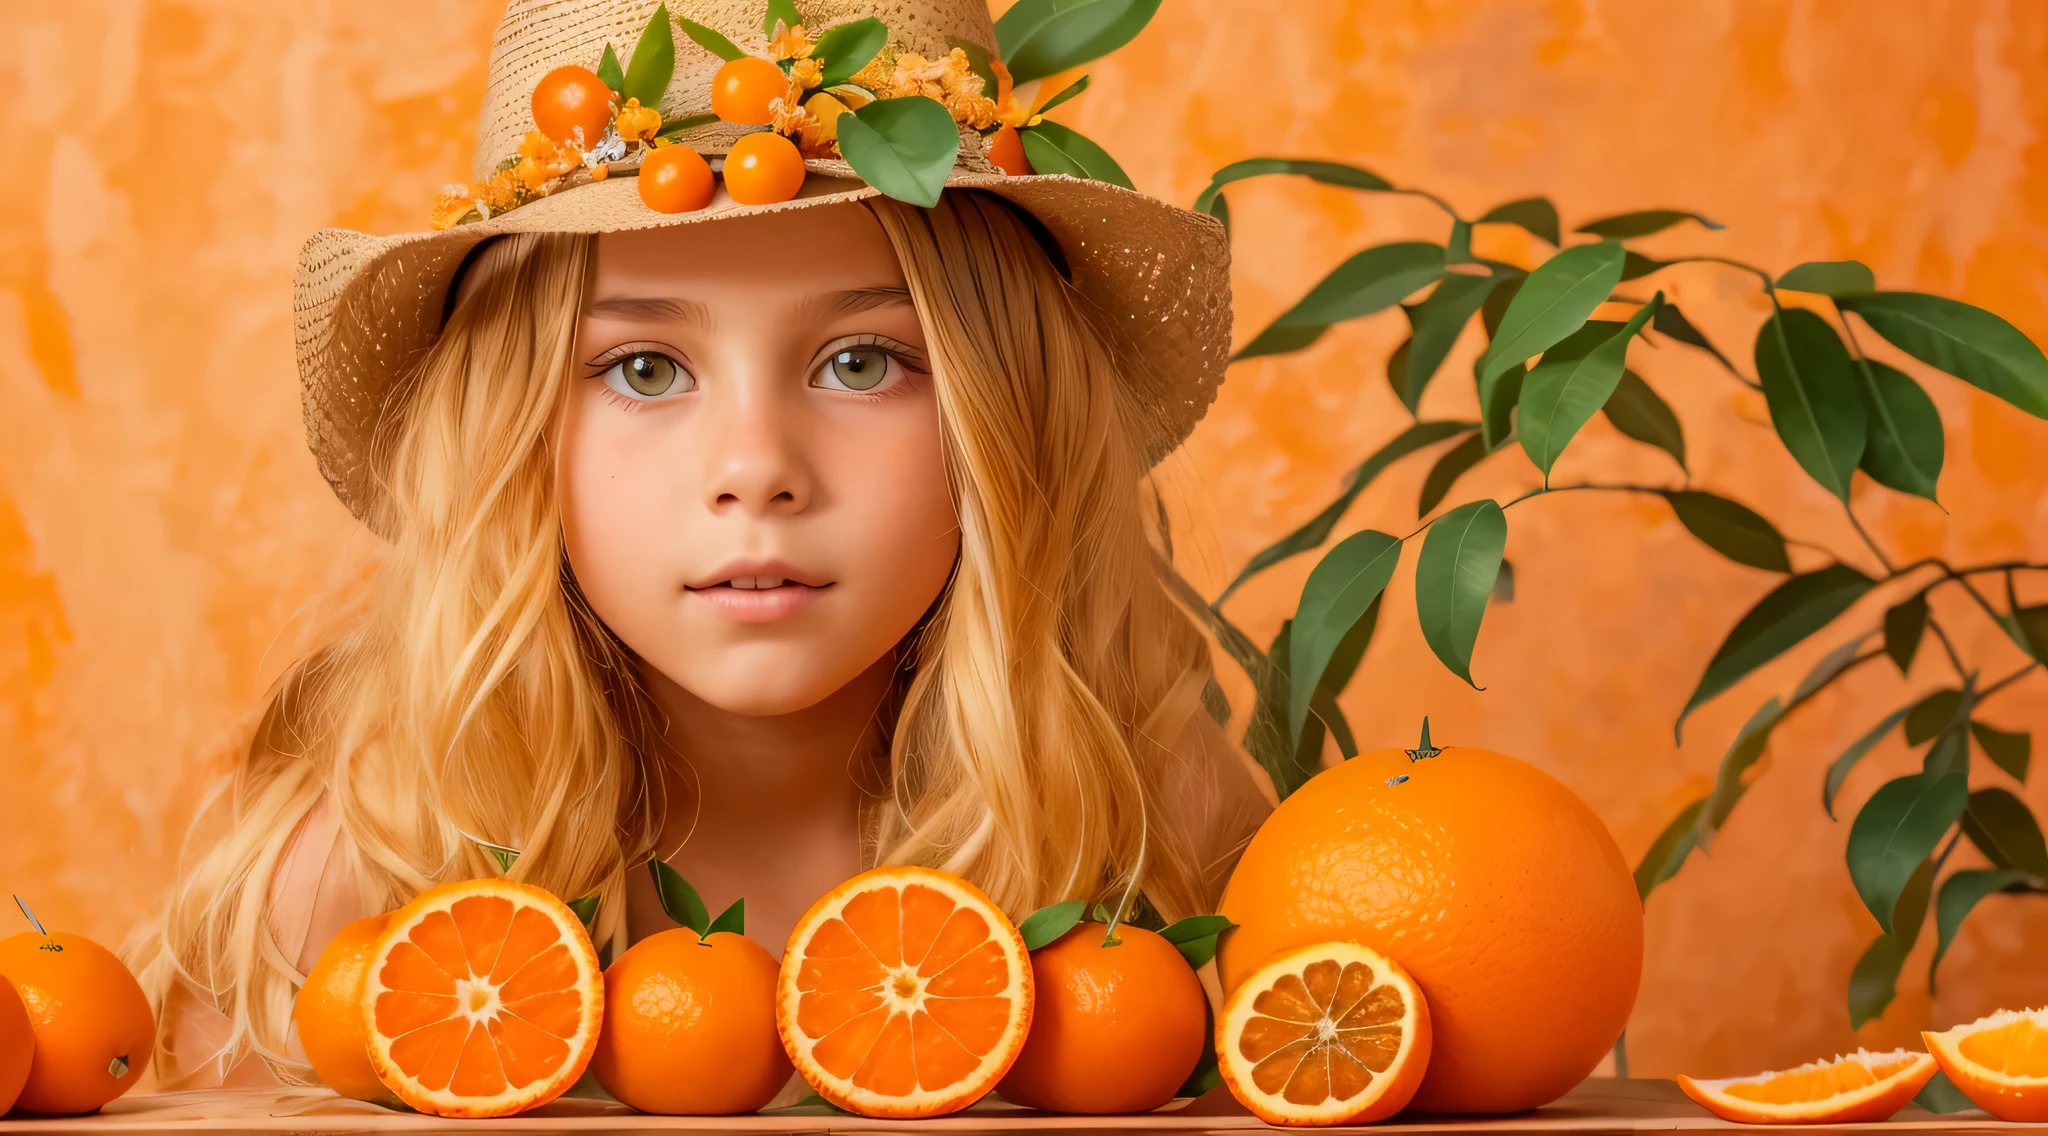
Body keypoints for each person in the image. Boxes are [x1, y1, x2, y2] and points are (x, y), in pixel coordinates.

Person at [128, 0, 1274, 1091]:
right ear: (508, 437)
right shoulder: (352, 884)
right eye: (643, 369)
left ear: (1011, 416)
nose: (753, 467)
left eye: (861, 361)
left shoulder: (1163, 830)